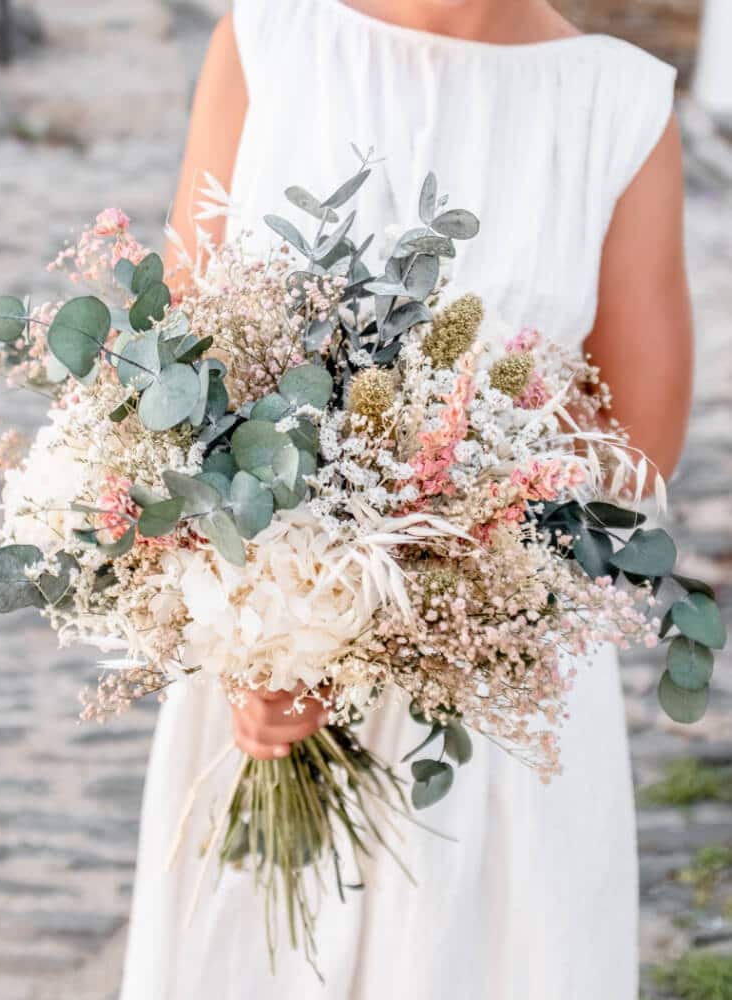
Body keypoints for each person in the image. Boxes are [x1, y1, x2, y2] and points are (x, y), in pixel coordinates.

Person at [120, 2, 693, 997]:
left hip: (496, 695)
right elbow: (178, 381)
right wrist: (265, 631)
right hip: (264, 674)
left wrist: (442, 518)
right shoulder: (266, 42)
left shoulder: (617, 101)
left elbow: (636, 450)